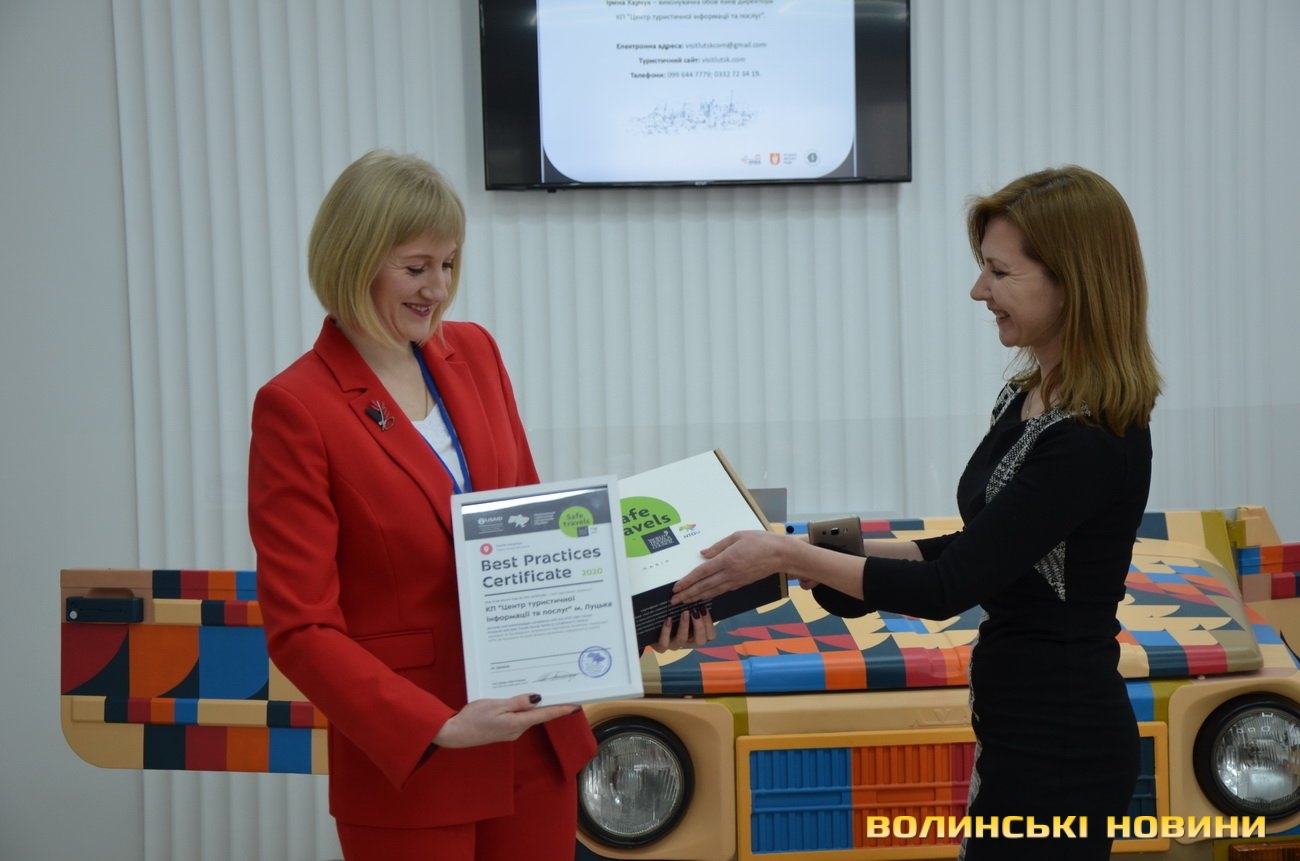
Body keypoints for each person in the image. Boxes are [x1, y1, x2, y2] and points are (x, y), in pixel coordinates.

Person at [671, 165, 1161, 861]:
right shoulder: (1027, 395)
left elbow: (948, 586)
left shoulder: (1092, 436)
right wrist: (817, 553)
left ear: (1072, 281)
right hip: (1014, 725)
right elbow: (981, 547)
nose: (979, 291)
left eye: (999, 272)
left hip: (1061, 748)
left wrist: (787, 555)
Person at [247, 150, 708, 861]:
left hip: (535, 737)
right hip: (421, 758)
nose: (438, 289)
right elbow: (301, 628)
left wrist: (641, 620)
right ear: (354, 258)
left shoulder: (475, 352)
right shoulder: (296, 407)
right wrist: (438, 727)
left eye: (450, 264)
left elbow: (546, 541)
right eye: (416, 267)